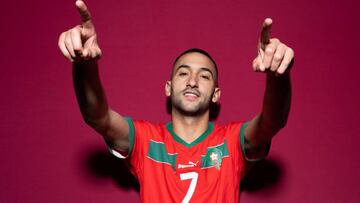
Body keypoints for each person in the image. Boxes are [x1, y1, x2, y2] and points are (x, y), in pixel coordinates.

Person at [58, 1, 294, 202]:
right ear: (168, 88)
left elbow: (272, 122)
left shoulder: (231, 143)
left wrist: (278, 76)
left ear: (216, 94)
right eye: (183, 73)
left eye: (204, 75)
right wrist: (84, 64)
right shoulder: (146, 141)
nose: (192, 81)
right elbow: (97, 116)